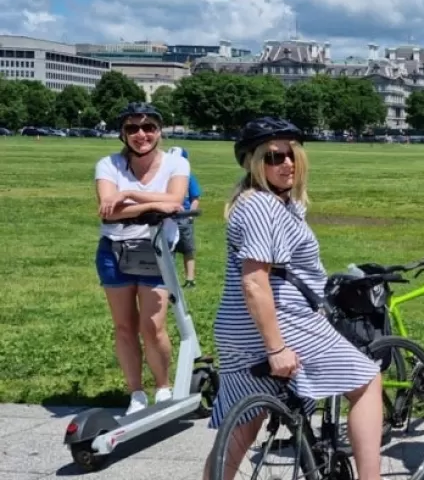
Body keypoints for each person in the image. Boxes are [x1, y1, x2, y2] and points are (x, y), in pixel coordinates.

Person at [205, 117, 385, 480]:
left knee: (242, 427)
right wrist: (275, 349)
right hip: (281, 321)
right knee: (367, 381)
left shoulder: (257, 201)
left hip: (236, 327)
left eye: (291, 155)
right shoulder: (261, 207)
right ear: (253, 162)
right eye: (274, 157)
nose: (286, 163)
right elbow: (255, 281)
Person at [94, 102, 190, 415]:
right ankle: (136, 392)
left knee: (153, 326)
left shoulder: (176, 164)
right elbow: (108, 212)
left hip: (157, 250)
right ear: (122, 134)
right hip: (114, 250)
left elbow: (176, 201)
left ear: (159, 131)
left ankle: (162, 387)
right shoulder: (108, 165)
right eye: (132, 128)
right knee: (124, 326)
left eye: (148, 127)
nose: (141, 134)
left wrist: (130, 196)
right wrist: (153, 206)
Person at [174, 147, 202, 287]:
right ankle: (168, 278)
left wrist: (191, 215)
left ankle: (190, 279)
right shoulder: (165, 175)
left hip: (183, 217)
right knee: (167, 249)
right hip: (168, 217)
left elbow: (195, 197)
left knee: (187, 249)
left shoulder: (188, 177)